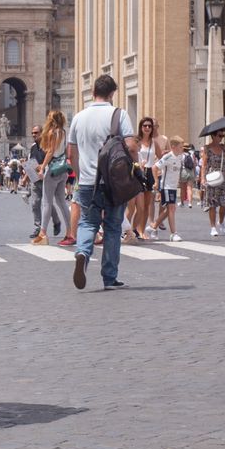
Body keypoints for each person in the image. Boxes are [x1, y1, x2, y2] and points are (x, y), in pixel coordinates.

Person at [67, 74, 134, 291]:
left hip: (87, 181)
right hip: (113, 182)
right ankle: (109, 277)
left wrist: (79, 175)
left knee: (87, 223)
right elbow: (132, 146)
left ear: (93, 92)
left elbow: (71, 153)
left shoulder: (78, 117)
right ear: (112, 93)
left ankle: (82, 253)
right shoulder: (119, 114)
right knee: (113, 227)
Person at [35, 110, 70, 246]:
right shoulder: (64, 132)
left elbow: (50, 151)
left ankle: (42, 234)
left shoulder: (52, 133)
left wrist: (43, 167)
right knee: (62, 201)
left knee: (46, 202)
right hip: (62, 169)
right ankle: (69, 232)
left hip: (53, 169)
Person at [129, 117, 164, 241]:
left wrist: (157, 169)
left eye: (149, 126)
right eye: (145, 126)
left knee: (146, 205)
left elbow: (161, 157)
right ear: (141, 127)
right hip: (138, 171)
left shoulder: (154, 142)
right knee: (134, 205)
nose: (147, 128)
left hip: (149, 171)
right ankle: (128, 229)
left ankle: (141, 230)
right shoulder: (136, 141)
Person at [202, 130, 225, 237]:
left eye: (223, 136)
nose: (221, 138)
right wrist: (202, 179)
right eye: (219, 136)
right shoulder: (207, 148)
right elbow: (204, 165)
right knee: (212, 204)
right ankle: (213, 227)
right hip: (211, 177)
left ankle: (221, 221)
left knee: (224, 203)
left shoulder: (223, 147)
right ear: (213, 136)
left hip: (223, 176)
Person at [154, 136, 185, 242]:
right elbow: (155, 167)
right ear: (173, 147)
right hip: (166, 186)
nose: (182, 149)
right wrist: (156, 181)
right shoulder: (168, 157)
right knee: (171, 208)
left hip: (173, 187)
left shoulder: (180, 157)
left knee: (170, 209)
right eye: (180, 147)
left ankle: (154, 226)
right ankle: (173, 233)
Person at [25, 123, 45, 239]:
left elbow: (49, 160)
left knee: (48, 204)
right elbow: (30, 163)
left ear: (42, 133)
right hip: (35, 179)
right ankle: (38, 227)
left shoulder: (47, 145)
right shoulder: (33, 147)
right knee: (35, 204)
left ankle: (56, 221)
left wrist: (41, 168)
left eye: (36, 133)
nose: (33, 135)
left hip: (45, 177)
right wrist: (25, 178)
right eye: (32, 133)